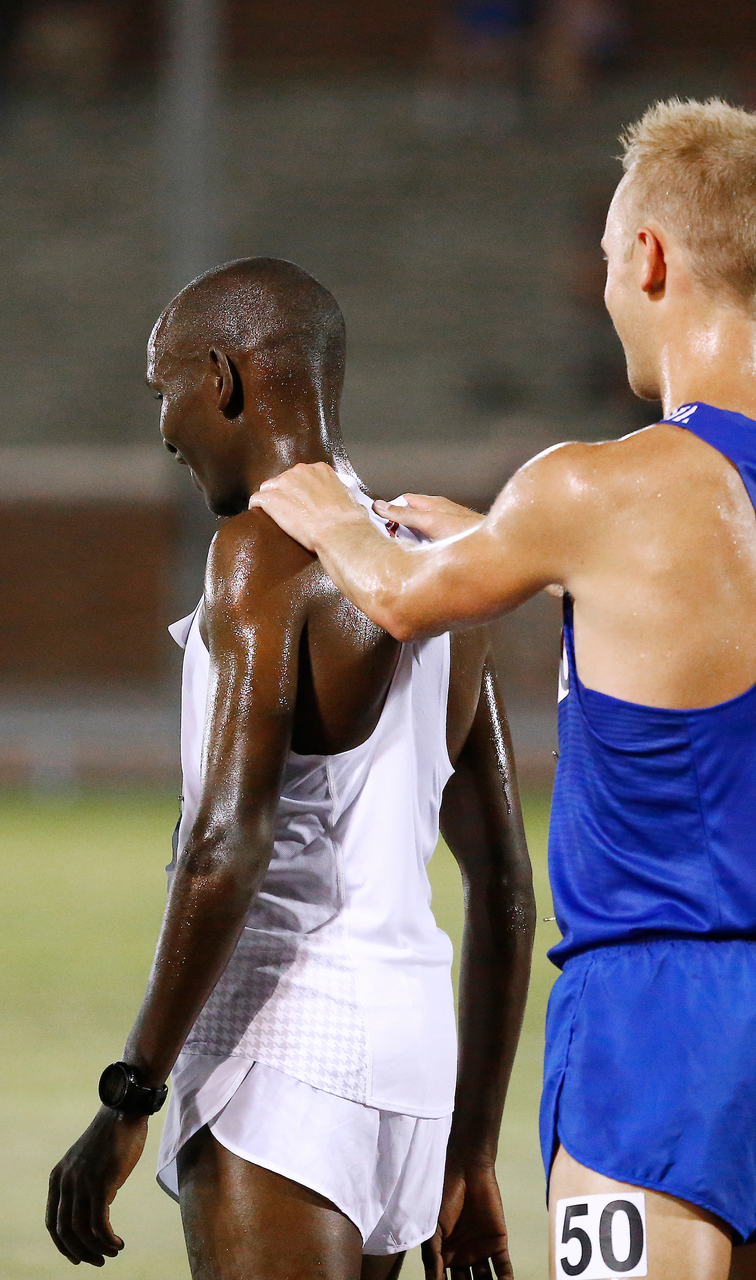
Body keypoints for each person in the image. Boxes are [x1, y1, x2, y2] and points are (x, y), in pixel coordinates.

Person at [249, 100, 756, 1280]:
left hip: (667, 1012)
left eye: (612, 258)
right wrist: (531, 559)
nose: (607, 285)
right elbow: (734, 664)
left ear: (651, 257)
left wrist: (317, 502)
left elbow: (401, 597)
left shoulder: (594, 487)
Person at [46, 258, 535, 1279]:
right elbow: (504, 887)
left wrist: (128, 1093)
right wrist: (475, 1147)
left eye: (165, 388)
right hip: (412, 1068)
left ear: (223, 377)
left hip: (285, 1053)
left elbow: (228, 843)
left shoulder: (258, 549)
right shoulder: (431, 555)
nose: (165, 429)